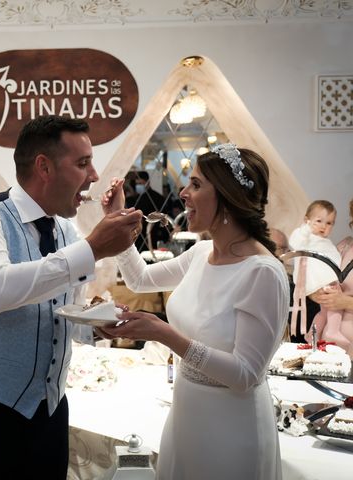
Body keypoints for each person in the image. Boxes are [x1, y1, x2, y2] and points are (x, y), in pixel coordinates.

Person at [0, 115, 143, 480]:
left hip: (50, 414)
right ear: (44, 167)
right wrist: (93, 249)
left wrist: (95, 327)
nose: (94, 175)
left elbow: (59, 313)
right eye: (83, 163)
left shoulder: (67, 230)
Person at [100, 144, 289, 479]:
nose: (184, 194)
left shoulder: (262, 273)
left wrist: (164, 334)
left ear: (228, 197)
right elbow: (139, 278)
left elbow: (245, 375)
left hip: (232, 428)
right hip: (187, 413)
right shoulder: (201, 252)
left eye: (197, 185)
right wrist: (114, 219)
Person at [288, 201, 346, 347]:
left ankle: (313, 333)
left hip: (327, 280)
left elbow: (336, 258)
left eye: (329, 223)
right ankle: (333, 331)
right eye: (318, 221)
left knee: (324, 311)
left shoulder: (326, 242)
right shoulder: (304, 235)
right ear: (307, 220)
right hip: (318, 281)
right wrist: (306, 229)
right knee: (334, 306)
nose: (323, 226)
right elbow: (295, 243)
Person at [312, 198, 353, 356]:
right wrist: (318, 294)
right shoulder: (345, 246)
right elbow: (318, 279)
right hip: (329, 347)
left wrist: (346, 302)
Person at [131, 170, 169, 251]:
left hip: (153, 235)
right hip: (139, 236)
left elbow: (164, 216)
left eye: (141, 184)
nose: (138, 186)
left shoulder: (157, 198)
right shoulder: (136, 198)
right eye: (137, 184)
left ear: (147, 182)